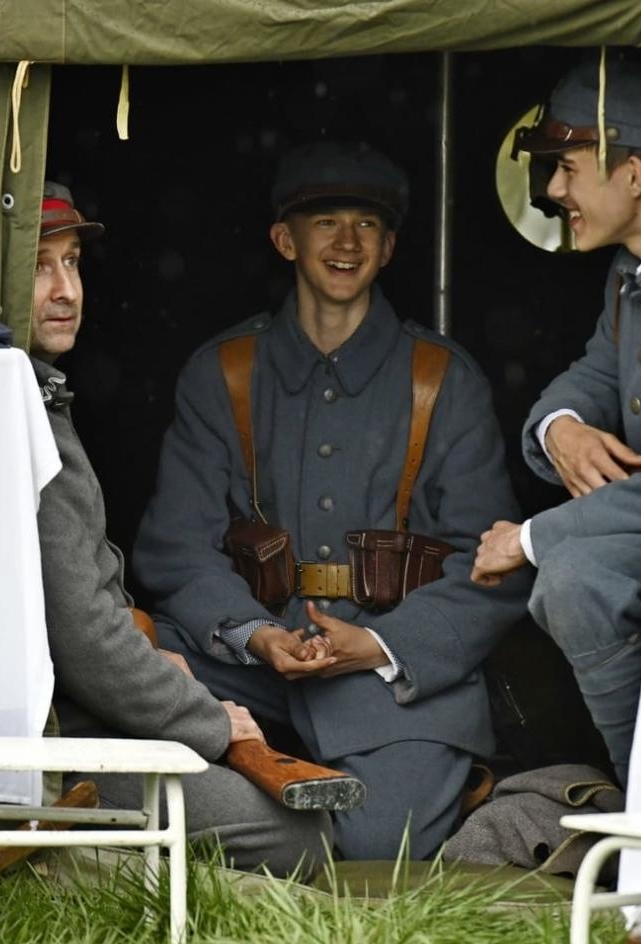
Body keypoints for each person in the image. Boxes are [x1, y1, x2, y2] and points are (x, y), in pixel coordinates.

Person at [133, 144, 531, 861]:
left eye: (367, 225)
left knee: (376, 840)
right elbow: (175, 547)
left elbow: (493, 564)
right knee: (111, 712)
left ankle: (269, 817)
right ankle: (276, 802)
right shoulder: (223, 371)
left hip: (390, 671)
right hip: (248, 663)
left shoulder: (443, 380)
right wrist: (257, 633)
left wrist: (380, 644)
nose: (347, 242)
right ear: (285, 239)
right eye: (325, 222)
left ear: (389, 248)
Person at [26, 181, 329, 878]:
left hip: (81, 702)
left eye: (72, 262)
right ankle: (68, 876)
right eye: (41, 266)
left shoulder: (34, 396)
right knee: (295, 838)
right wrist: (212, 724)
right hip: (55, 729)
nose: (66, 289)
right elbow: (86, 641)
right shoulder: (20, 413)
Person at [470, 51, 641, 788]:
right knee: (574, 579)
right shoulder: (633, 274)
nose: (554, 188)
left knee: (569, 577)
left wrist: (530, 538)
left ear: (633, 174)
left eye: (568, 167)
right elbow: (590, 379)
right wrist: (560, 427)